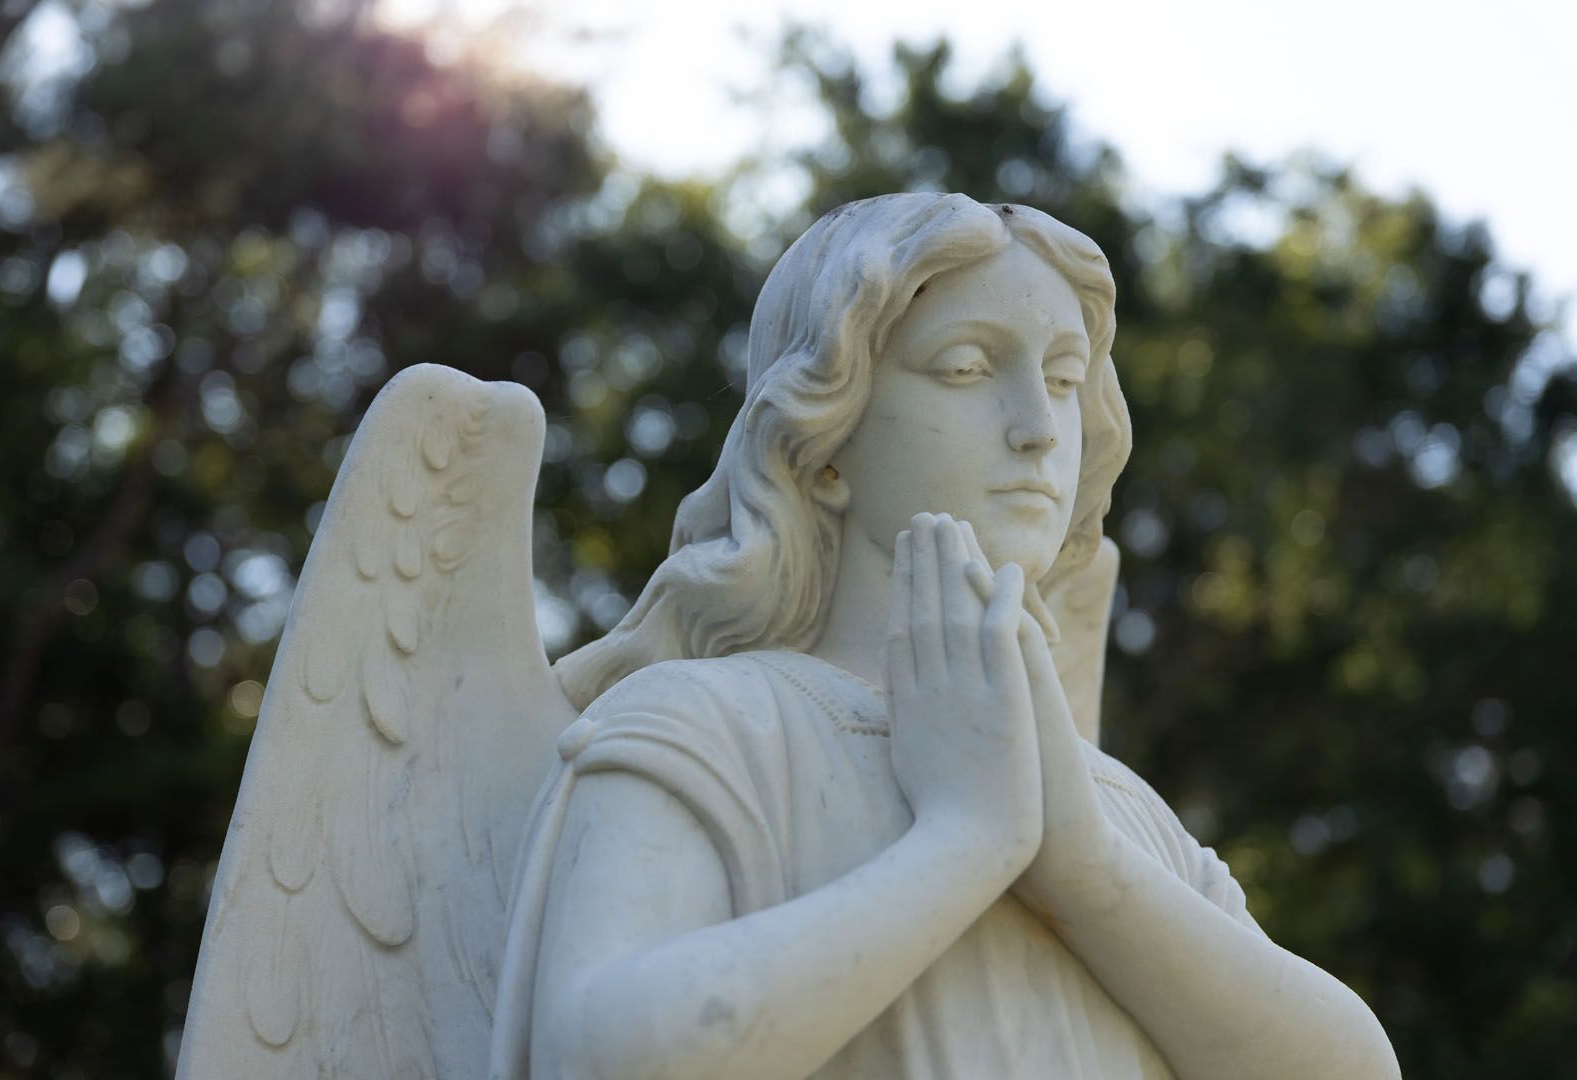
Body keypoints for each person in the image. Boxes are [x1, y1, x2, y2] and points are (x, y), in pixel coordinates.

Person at [487, 193, 1399, 1080]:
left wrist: (1081, 869)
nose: (1040, 429)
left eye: (1063, 380)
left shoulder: (1114, 810)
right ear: (824, 441)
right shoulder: (713, 728)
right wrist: (965, 843)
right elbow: (594, 1055)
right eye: (966, 367)